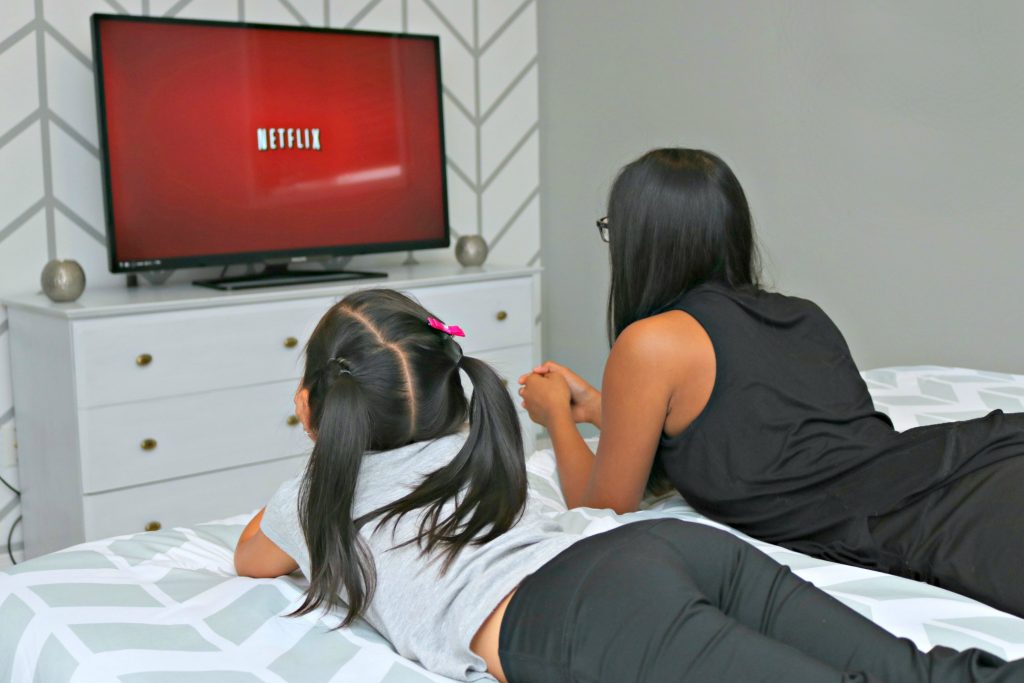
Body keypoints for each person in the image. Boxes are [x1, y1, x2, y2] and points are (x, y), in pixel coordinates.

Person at [235, 288, 1024, 682]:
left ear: (314, 404)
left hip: (585, 612)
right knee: (926, 673)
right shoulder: (474, 451)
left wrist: (317, 441)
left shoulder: (311, 500)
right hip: (668, 549)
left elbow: (251, 558)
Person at [518, 147, 1024, 620]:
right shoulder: (804, 315)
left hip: (930, 520)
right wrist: (596, 407)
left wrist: (556, 415)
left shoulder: (650, 342)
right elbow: (738, 427)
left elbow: (604, 507)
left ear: (641, 239)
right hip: (963, 464)